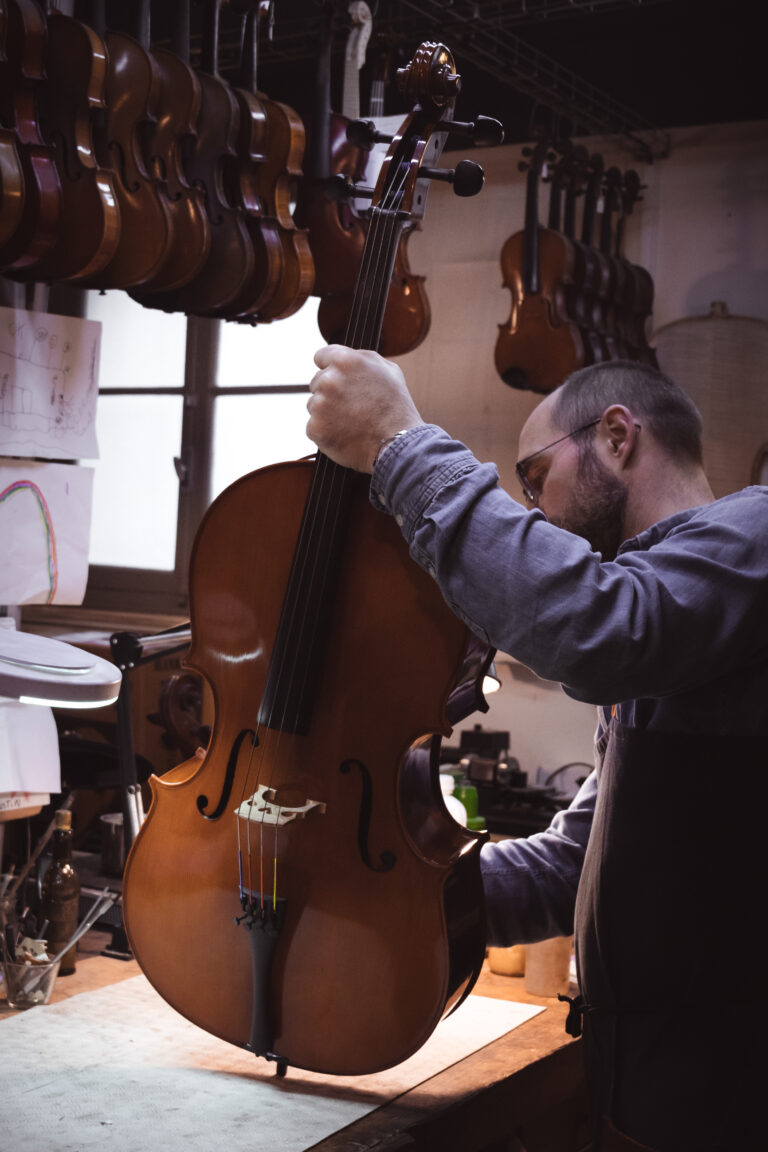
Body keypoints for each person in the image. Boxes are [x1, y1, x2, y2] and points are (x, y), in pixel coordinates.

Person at [306, 346, 768, 1152]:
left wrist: (399, 441)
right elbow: (571, 868)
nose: (533, 509)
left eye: (533, 477)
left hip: (729, 1083)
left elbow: (600, 629)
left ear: (617, 436)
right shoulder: (673, 637)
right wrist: (388, 892)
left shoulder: (754, 535)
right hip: (647, 1076)